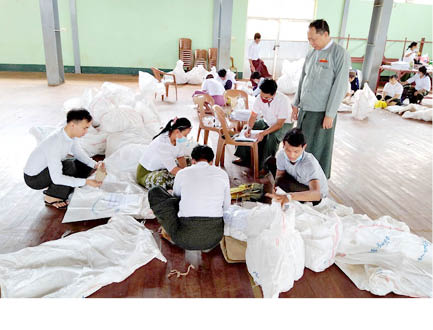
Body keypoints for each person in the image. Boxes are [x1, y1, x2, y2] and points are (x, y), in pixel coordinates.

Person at [292, 19, 350, 179]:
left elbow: (340, 87)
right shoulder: (312, 52)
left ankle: (317, 180)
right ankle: (301, 176)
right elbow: (303, 78)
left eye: (314, 39)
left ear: (325, 35)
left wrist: (330, 114)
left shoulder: (339, 54)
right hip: (305, 108)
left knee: (318, 147)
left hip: (321, 111)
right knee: (301, 145)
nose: (311, 42)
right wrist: (296, 104)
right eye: (309, 39)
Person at [148, 145, 230, 251]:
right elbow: (226, 206)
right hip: (214, 238)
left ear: (193, 161)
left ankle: (179, 235)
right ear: (211, 162)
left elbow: (176, 198)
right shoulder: (222, 174)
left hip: (183, 239)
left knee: (155, 192)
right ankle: (203, 242)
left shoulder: (182, 173)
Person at [23, 109, 103, 209]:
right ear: (73, 125)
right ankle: (51, 197)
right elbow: (57, 178)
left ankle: (68, 186)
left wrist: (95, 164)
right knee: (68, 165)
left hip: (46, 170)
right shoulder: (55, 143)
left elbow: (78, 153)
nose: (86, 132)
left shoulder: (69, 135)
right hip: (34, 179)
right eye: (85, 128)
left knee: (82, 163)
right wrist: (86, 182)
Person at [233, 79, 293, 171]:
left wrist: (263, 133)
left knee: (272, 136)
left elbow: (279, 124)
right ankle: (244, 158)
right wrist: (249, 128)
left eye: (266, 97)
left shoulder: (283, 100)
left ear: (274, 94)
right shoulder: (259, 98)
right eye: (261, 95)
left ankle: (265, 166)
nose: (263, 99)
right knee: (246, 129)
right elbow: (253, 115)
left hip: (284, 124)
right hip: (267, 121)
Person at [265, 128, 328, 206]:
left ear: (304, 147)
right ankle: (287, 192)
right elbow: (280, 174)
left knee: (281, 182)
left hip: (315, 195)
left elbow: (316, 194)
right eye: (288, 150)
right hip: (296, 181)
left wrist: (289, 197)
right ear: (284, 144)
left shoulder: (309, 163)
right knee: (270, 161)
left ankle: (294, 197)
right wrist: (274, 188)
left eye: (296, 151)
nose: (292, 155)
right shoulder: (282, 154)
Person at [137, 117, 192, 190]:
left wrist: (186, 171)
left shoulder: (176, 139)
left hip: (162, 167)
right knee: (162, 178)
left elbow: (180, 157)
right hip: (146, 173)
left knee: (188, 160)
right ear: (177, 131)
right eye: (185, 135)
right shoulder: (162, 143)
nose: (186, 138)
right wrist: (189, 176)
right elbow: (173, 170)